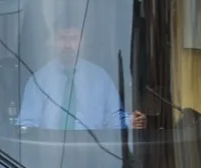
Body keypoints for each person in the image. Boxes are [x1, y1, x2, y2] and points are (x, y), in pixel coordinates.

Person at [17, 19, 146, 131]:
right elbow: (27, 124)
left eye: (74, 38)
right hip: (51, 154)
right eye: (62, 38)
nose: (68, 45)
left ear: (83, 41)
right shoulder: (38, 80)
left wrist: (132, 121)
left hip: (92, 153)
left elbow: (113, 119)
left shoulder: (100, 78)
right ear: (53, 41)